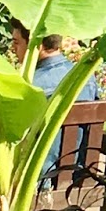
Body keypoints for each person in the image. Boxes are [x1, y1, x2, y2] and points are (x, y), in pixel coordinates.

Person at [11, 23, 98, 185]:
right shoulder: (86, 79)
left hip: (33, 183)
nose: (12, 49)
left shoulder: (29, 87)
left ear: (36, 44)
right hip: (76, 180)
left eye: (16, 42)